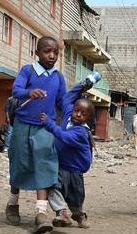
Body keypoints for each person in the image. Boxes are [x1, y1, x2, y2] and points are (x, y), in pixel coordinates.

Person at [5, 36, 67, 233]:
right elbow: (16, 90)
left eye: (56, 52)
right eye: (47, 51)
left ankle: (41, 213)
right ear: (37, 53)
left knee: (44, 165)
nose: (52, 55)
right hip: (22, 126)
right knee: (19, 165)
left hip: (44, 128)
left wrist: (71, 119)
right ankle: (12, 204)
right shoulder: (28, 70)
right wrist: (29, 93)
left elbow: (63, 102)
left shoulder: (58, 77)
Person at [40, 73, 100, 229]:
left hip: (74, 171)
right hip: (60, 166)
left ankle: (79, 216)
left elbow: (64, 136)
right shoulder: (68, 115)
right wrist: (81, 86)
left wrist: (49, 124)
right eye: (76, 110)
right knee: (52, 186)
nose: (78, 114)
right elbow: (67, 99)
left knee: (75, 198)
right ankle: (62, 213)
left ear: (88, 119)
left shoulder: (81, 132)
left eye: (83, 114)